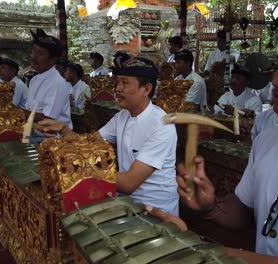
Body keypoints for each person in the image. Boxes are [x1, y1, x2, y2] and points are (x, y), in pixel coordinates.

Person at [148, 16, 278, 263]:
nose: (277, 81)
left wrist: (190, 247)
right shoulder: (270, 139)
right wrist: (211, 208)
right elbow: (243, 209)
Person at [39, 57, 179, 216]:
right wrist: (63, 129)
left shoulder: (161, 125)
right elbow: (90, 144)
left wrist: (79, 169)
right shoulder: (122, 117)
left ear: (146, 89)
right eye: (118, 82)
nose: (118, 89)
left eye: (125, 83)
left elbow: (129, 183)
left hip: (156, 211)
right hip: (126, 203)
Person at [26, 28, 72, 132]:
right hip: (32, 134)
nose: (33, 57)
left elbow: (48, 120)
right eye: (33, 51)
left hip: (54, 140)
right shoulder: (33, 80)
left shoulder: (57, 83)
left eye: (40, 53)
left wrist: (16, 112)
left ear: (53, 60)